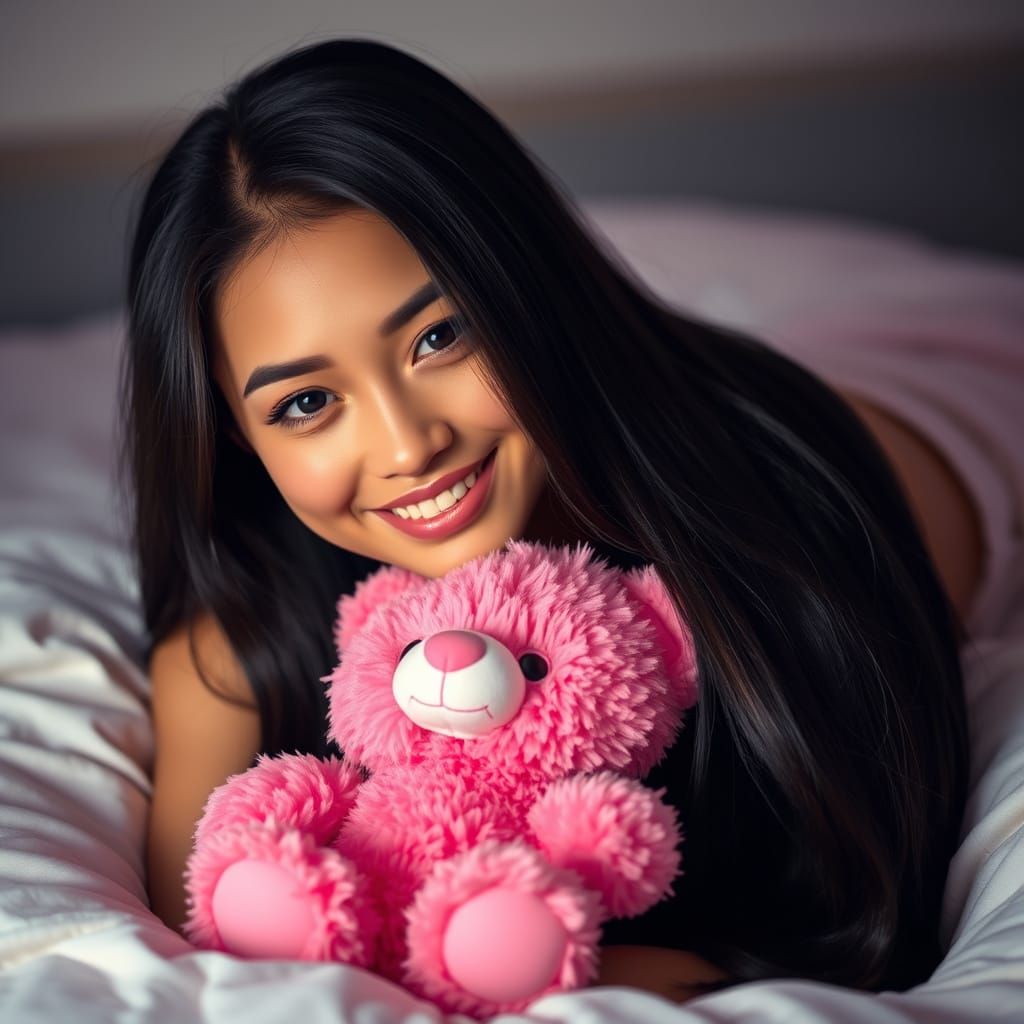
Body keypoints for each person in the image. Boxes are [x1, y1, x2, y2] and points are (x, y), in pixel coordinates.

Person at [122, 38, 981, 1005]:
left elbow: (867, 926)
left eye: (439, 336)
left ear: (523, 290)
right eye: (306, 405)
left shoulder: (782, 508)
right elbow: (204, 949)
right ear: (235, 435)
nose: (408, 446)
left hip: (949, 386)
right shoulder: (241, 632)